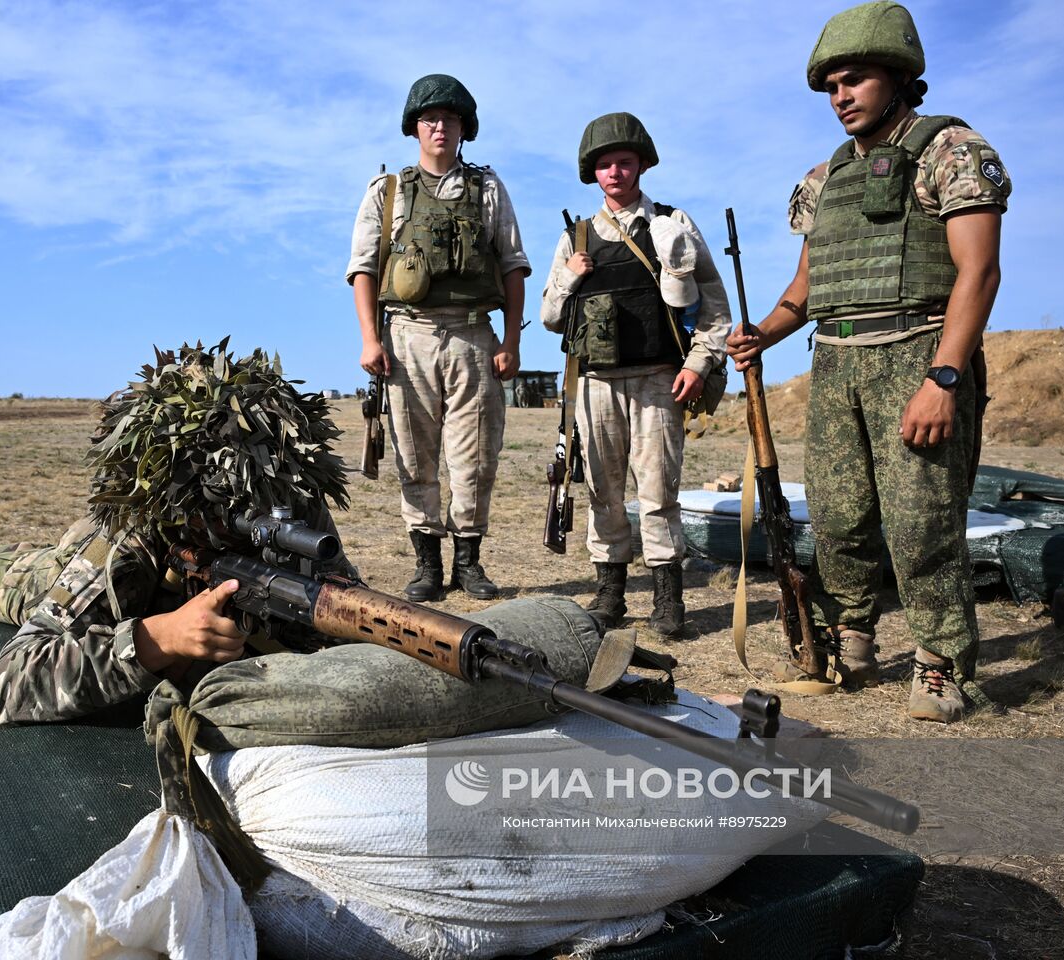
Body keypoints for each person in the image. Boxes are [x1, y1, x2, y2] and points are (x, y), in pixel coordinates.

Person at [0, 342, 352, 728]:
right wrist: (157, 640)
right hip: (75, 574)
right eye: (225, 513)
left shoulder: (292, 505)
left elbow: (342, 613)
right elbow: (5, 689)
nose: (252, 522)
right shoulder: (132, 537)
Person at [726, 1, 1010, 722]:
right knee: (839, 516)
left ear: (899, 77)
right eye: (831, 86)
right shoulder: (825, 178)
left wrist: (945, 377)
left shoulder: (950, 150)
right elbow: (806, 287)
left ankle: (941, 663)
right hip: (836, 361)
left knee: (922, 522)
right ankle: (852, 636)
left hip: (917, 352)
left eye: (854, 80)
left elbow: (978, 273)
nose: (841, 97)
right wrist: (762, 333)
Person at [540, 112, 731, 636]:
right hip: (595, 384)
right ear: (593, 173)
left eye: (624, 162)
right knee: (602, 491)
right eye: (605, 165)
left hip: (658, 380)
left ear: (641, 164)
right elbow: (551, 317)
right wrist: (570, 279)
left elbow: (714, 307)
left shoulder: (672, 225)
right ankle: (611, 593)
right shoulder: (576, 237)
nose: (615, 173)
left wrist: (698, 364)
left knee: (658, 492)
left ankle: (668, 599)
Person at [349, 74, 530, 602]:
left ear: (464, 128)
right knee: (414, 456)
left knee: (475, 458)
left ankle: (468, 562)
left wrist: (511, 342)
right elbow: (363, 268)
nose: (439, 127)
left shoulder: (488, 189)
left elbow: (513, 266)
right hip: (408, 335)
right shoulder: (387, 192)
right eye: (430, 119)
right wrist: (370, 339)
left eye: (450, 119)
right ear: (414, 127)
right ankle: (427, 564)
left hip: (473, 335)